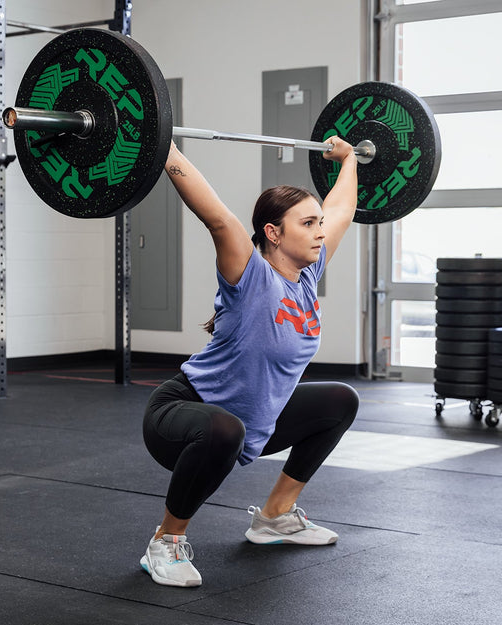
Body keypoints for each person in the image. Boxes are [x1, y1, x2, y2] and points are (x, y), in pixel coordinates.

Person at [139, 137, 362, 588]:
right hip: (181, 416)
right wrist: (164, 149)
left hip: (254, 421)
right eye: (307, 223)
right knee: (225, 429)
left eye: (319, 223)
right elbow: (217, 216)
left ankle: (275, 517)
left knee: (340, 399)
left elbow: (342, 209)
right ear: (274, 233)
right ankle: (166, 541)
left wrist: (350, 159)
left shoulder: (308, 276)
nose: (321, 230)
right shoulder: (250, 274)